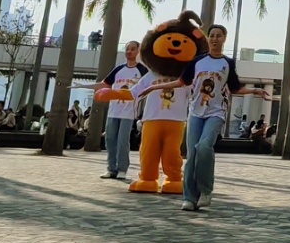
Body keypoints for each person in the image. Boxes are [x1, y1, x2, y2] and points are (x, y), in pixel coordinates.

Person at [140, 23, 270, 212]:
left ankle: (206, 191)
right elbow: (181, 81)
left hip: (216, 113)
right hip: (195, 113)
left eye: (219, 35)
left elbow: (235, 88)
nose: (215, 39)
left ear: (224, 38)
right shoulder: (197, 61)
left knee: (204, 147)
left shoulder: (227, 63)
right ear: (207, 39)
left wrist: (255, 90)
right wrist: (153, 87)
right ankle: (189, 198)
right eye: (212, 36)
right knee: (192, 154)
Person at [79, 40, 146, 180]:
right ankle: (111, 168)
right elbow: (104, 84)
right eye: (127, 49)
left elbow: (148, 87)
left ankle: (122, 169)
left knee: (122, 140)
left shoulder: (142, 70)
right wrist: (84, 85)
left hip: (128, 112)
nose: (129, 52)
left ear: (138, 51)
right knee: (110, 138)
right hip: (113, 111)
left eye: (133, 49)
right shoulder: (118, 69)